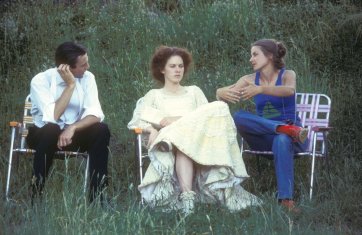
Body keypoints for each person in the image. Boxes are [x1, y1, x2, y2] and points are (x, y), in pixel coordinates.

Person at [128, 46, 260, 215]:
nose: (178, 70)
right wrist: (150, 129)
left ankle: (188, 200)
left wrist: (176, 121)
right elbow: (139, 118)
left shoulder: (194, 91)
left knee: (217, 108)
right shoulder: (154, 95)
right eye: (172, 66)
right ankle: (187, 199)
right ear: (162, 69)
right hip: (170, 140)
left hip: (195, 141)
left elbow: (207, 120)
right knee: (182, 144)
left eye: (180, 66)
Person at [216, 39, 308, 212]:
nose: (251, 59)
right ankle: (281, 127)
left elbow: (289, 90)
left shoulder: (288, 74)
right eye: (251, 55)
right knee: (239, 116)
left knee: (282, 139)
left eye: (255, 54)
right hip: (266, 137)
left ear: (270, 56)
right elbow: (227, 94)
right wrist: (219, 92)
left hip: (294, 139)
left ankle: (286, 201)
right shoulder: (249, 79)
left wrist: (261, 90)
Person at [27, 41, 110, 203]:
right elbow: (52, 117)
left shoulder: (88, 77)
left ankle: (98, 198)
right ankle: (36, 197)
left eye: (87, 62)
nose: (88, 66)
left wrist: (73, 127)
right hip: (43, 135)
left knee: (102, 129)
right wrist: (71, 85)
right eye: (83, 64)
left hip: (72, 135)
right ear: (66, 68)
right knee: (51, 129)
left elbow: (95, 114)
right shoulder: (41, 81)